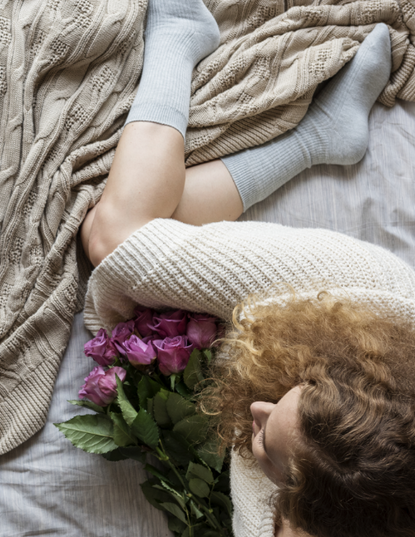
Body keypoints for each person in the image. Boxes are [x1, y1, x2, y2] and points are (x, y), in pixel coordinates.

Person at [78, 2, 415, 536]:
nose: (255, 411)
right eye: (281, 408)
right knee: (113, 232)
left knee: (116, 225)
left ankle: (316, 139)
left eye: (266, 444)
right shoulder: (366, 294)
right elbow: (123, 261)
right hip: (340, 302)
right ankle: (311, 138)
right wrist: (126, 330)